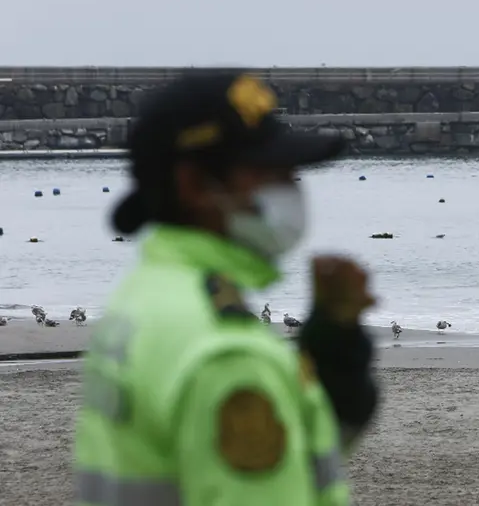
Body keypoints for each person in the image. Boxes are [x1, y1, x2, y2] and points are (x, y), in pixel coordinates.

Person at [74, 71, 378, 506]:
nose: (293, 188)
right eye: (272, 173)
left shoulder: (144, 298)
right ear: (196, 186)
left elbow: (246, 459)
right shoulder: (226, 352)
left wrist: (333, 357)